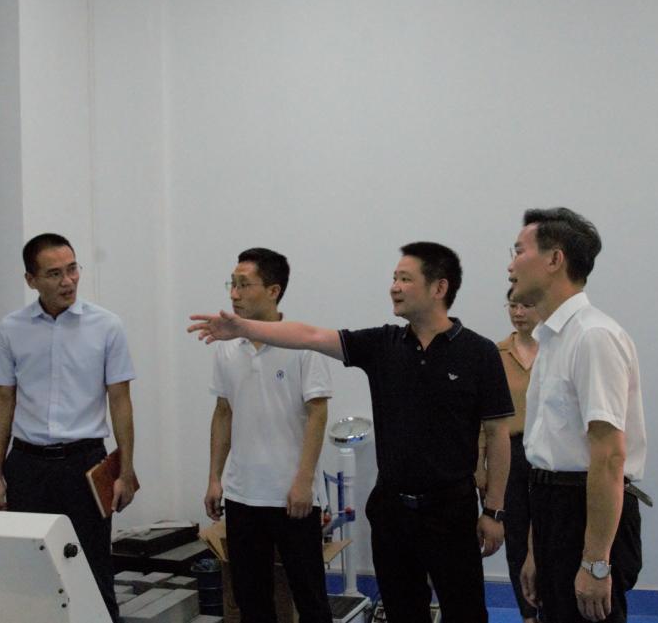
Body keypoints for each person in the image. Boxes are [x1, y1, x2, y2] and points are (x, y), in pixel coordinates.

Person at [190, 241, 513, 623]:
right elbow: (310, 336)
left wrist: (493, 510)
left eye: (405, 279)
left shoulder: (478, 353)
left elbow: (497, 434)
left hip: (451, 510)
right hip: (392, 511)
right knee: (403, 612)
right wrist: (242, 327)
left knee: (466, 612)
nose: (394, 287)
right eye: (393, 278)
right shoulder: (383, 344)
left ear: (439, 287)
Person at [0, 233, 138, 623]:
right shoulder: (11, 328)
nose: (67, 281)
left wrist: (125, 470)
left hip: (85, 464)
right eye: (54, 274)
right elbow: (3, 400)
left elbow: (120, 400)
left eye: (72, 269)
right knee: (31, 569)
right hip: (27, 464)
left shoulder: (106, 326)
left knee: (92, 568)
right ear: (31, 280)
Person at [509, 208, 646, 623]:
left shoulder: (592, 336)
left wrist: (596, 563)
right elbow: (546, 457)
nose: (511, 265)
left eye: (519, 251)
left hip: (585, 512)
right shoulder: (553, 338)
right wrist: (534, 548)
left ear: (555, 259)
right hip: (551, 508)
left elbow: (609, 456)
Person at [204, 248, 333, 623]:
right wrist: (214, 478)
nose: (234, 294)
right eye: (232, 284)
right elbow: (223, 412)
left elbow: (318, 413)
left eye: (244, 285)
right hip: (243, 494)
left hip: (293, 496)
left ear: (273, 290)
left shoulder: (303, 344)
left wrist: (304, 482)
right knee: (251, 601)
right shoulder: (227, 346)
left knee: (310, 599)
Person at [475, 287, 539, 623]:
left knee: (549, 535)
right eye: (513, 305)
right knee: (516, 539)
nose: (518, 312)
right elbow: (482, 417)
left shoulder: (557, 351)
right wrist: (480, 466)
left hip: (548, 455)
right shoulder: (495, 354)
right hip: (510, 451)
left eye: (526, 305)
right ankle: (528, 614)